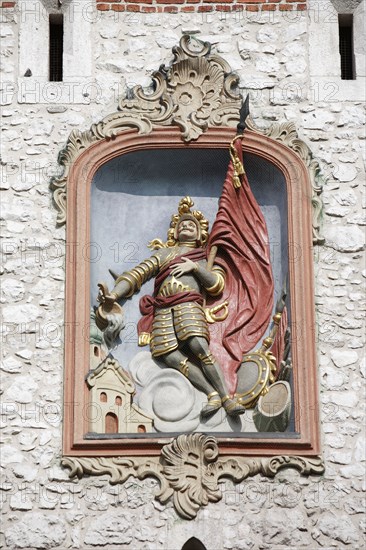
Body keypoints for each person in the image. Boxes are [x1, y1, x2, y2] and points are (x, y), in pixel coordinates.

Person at [98, 196, 245, 418]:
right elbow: (139, 273)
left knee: (200, 348)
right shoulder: (164, 254)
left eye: (191, 225)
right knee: (169, 356)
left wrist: (195, 268)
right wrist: (114, 295)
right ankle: (211, 394)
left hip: (188, 306)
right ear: (175, 232)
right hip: (163, 311)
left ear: (199, 233)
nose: (185, 226)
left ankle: (227, 398)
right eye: (181, 224)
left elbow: (216, 285)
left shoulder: (205, 257)